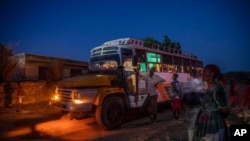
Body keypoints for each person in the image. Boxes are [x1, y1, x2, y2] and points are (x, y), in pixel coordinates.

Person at [193, 64, 229, 141]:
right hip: (204, 121)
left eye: (205, 72)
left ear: (212, 74)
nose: (202, 74)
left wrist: (213, 113)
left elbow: (225, 110)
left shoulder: (217, 89)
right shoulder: (206, 88)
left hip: (213, 123)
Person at [182, 69, 206, 141]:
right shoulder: (201, 82)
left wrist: (185, 103)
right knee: (200, 123)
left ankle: (191, 139)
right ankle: (201, 137)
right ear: (197, 74)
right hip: (200, 105)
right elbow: (204, 93)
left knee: (191, 125)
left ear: (192, 75)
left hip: (192, 106)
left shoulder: (190, 82)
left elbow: (186, 94)